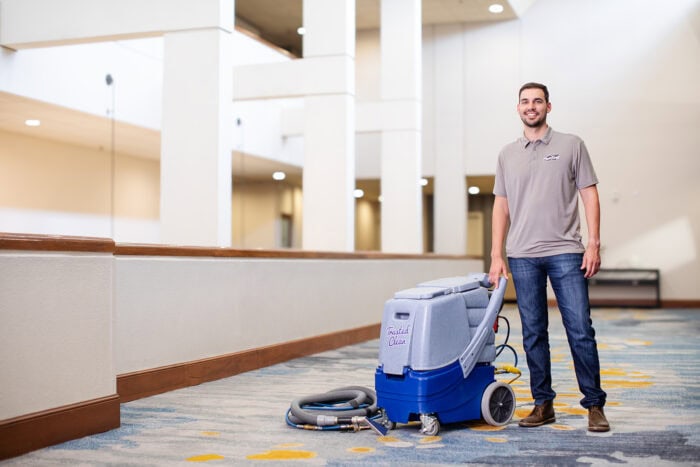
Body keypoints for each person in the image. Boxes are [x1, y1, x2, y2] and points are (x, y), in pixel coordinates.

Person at [488, 82, 609, 433]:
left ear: (548, 107)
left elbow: (589, 194)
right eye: (525, 101)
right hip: (522, 254)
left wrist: (594, 243)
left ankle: (594, 405)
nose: (531, 106)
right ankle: (543, 404)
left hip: (566, 251)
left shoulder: (572, 145)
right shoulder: (506, 154)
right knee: (533, 333)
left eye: (537, 101)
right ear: (518, 108)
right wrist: (497, 254)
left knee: (580, 330)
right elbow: (501, 205)